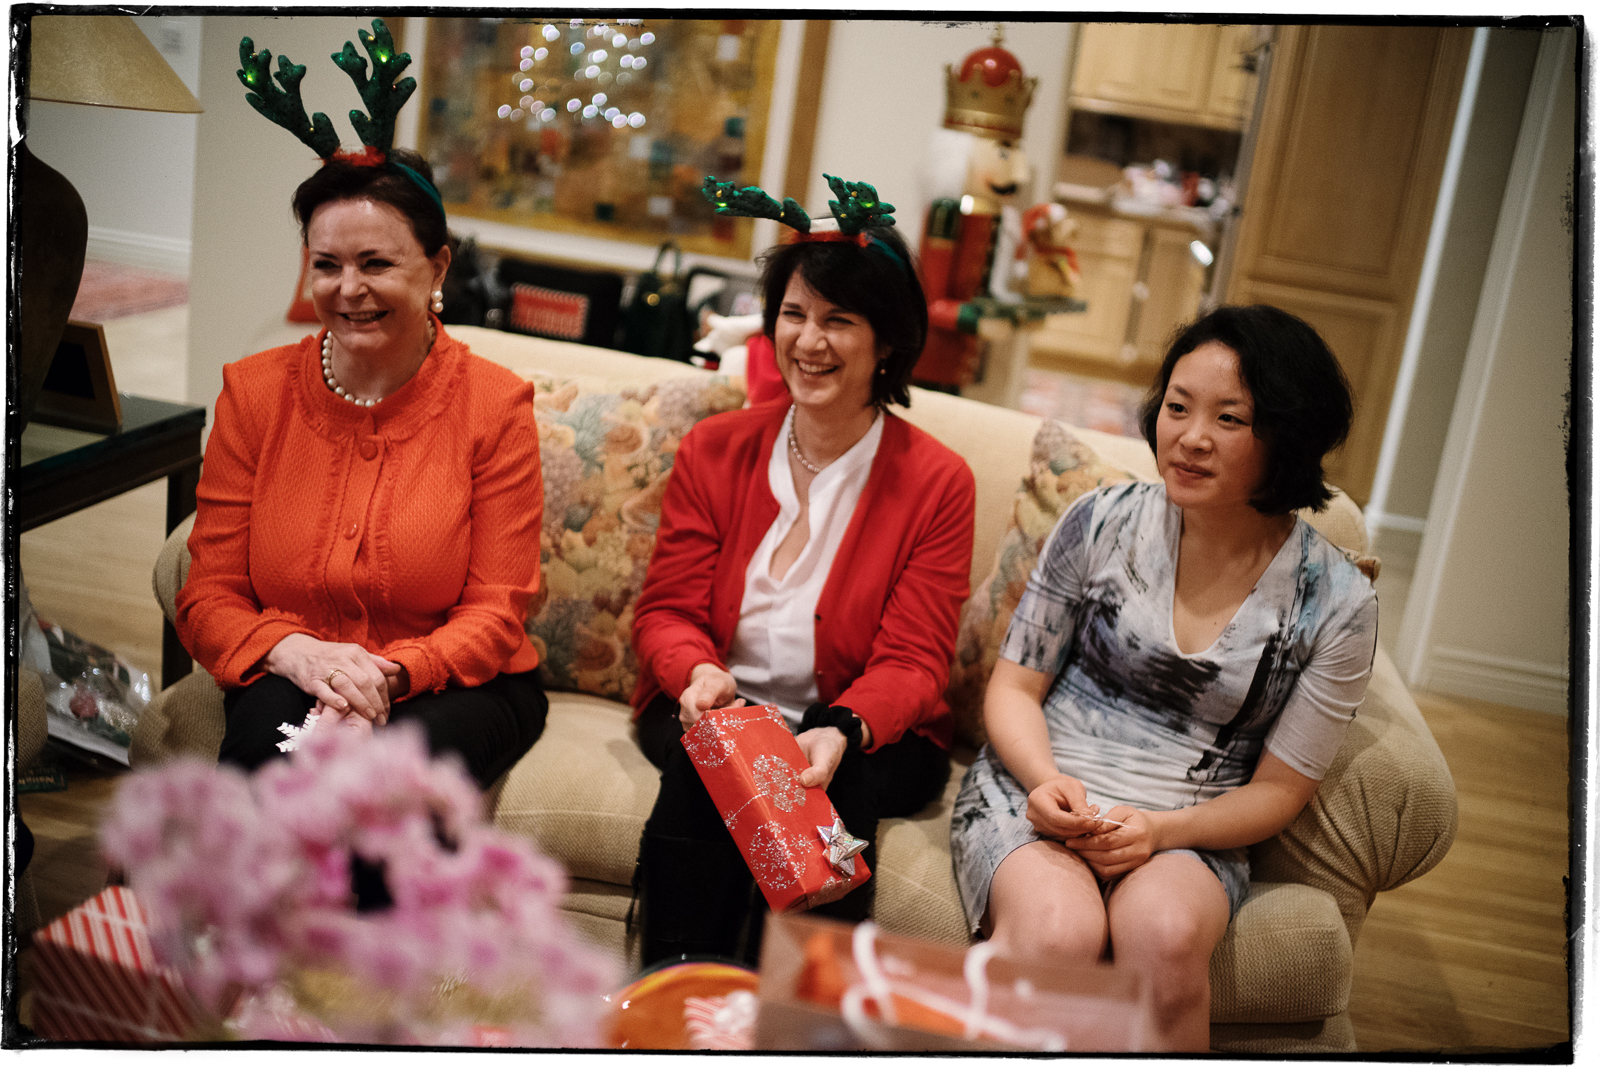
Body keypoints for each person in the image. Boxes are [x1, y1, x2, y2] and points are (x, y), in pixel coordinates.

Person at [949, 305, 1378, 1051]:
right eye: (1177, 407)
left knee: (1168, 936)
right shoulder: (1100, 520)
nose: (1191, 437)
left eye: (1229, 418)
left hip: (1191, 823)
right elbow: (1014, 688)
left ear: (1287, 435)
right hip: (1041, 788)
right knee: (1057, 933)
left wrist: (1160, 831)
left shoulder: (1336, 601)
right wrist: (1046, 781)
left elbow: (1279, 790)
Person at [631, 215, 977, 966]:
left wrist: (844, 727)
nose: (809, 341)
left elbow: (916, 659)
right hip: (718, 702)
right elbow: (667, 609)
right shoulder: (715, 448)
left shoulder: (938, 482)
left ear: (887, 342)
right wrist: (699, 672)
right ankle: (677, 996)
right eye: (793, 314)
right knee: (712, 756)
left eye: (839, 320)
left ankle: (795, 1011)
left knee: (829, 777)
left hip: (864, 734)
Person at [174, 145, 547, 789]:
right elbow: (209, 595)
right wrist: (295, 654)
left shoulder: (495, 406)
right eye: (327, 265)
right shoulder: (254, 393)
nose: (348, 289)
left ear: (437, 268)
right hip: (295, 666)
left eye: (376, 263)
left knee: (383, 791)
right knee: (264, 771)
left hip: (457, 683)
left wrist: (382, 676)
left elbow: (496, 610)